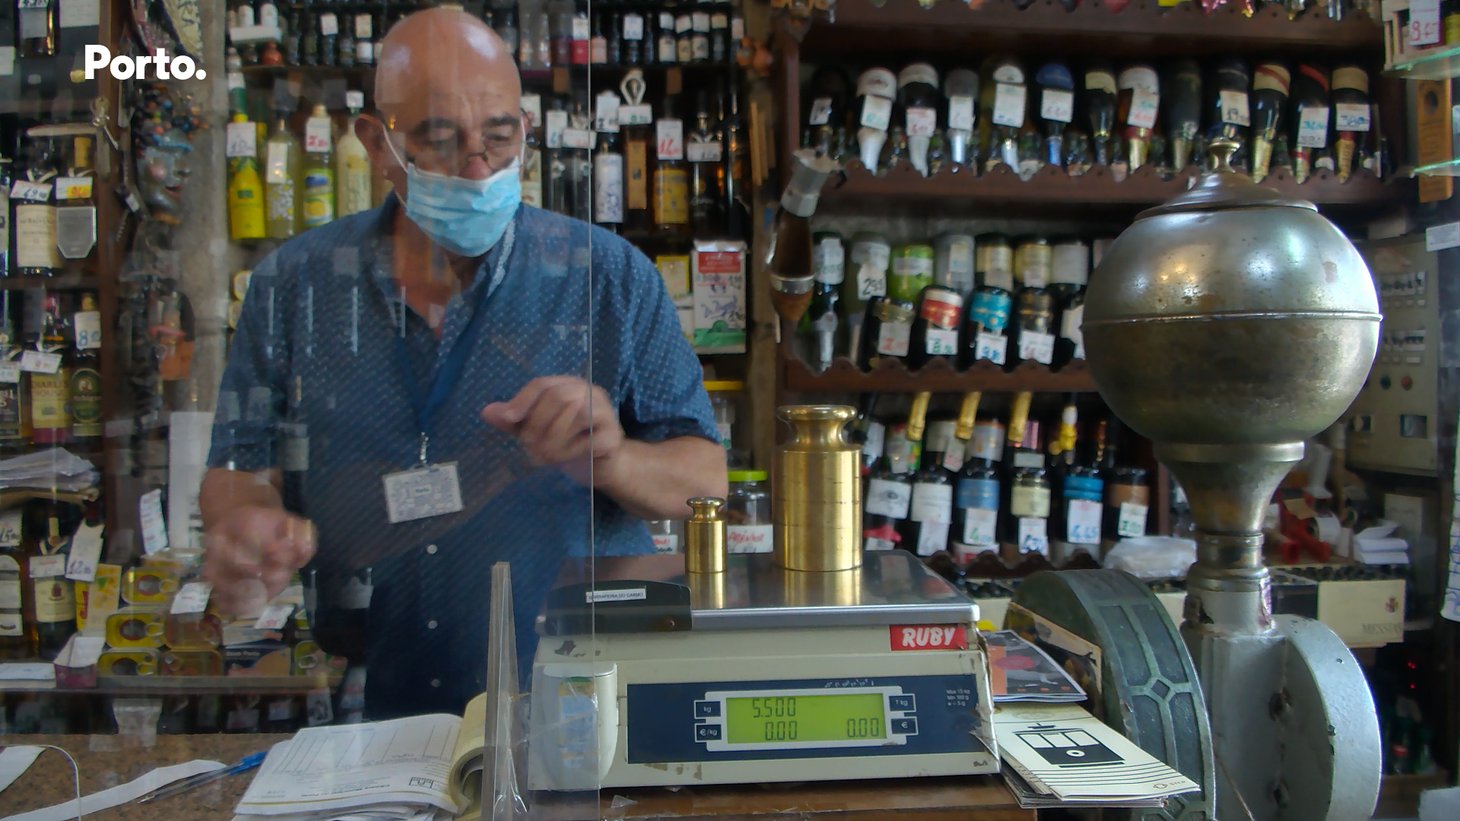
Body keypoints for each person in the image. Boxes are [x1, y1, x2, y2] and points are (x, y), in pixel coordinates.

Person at [199, 7, 727, 719]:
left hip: (575, 700)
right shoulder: (295, 284)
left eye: (500, 138)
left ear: (526, 131)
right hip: (369, 703)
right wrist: (248, 525)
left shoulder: (607, 275)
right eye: (441, 140)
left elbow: (705, 480)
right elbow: (238, 466)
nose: (479, 169)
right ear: (376, 144)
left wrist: (611, 458)